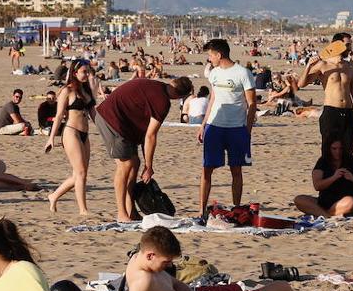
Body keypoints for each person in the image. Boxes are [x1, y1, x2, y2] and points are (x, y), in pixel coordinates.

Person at [123, 226, 352, 291]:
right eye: (166, 262)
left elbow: (173, 283)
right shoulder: (142, 282)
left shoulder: (141, 260)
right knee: (281, 288)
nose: (170, 266)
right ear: (150, 255)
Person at [94, 75, 194, 222]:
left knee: (135, 163)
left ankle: (131, 211)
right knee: (126, 165)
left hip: (121, 123)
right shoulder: (162, 102)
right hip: (111, 119)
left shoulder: (158, 86)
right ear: (180, 96)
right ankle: (122, 213)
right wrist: (149, 166)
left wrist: (145, 164)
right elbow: (150, 136)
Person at [198, 39, 257, 220]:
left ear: (219, 55)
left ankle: (236, 208)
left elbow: (252, 103)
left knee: (236, 170)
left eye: (210, 55)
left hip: (236, 128)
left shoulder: (243, 73)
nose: (209, 59)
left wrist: (247, 130)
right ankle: (201, 211)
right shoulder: (214, 73)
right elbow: (213, 99)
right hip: (214, 127)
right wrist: (203, 124)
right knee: (207, 169)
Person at [45, 61, 102, 216]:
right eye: (84, 71)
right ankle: (83, 209)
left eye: (88, 71)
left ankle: (54, 195)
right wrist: (51, 138)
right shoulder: (67, 91)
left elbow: (93, 113)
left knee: (79, 174)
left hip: (85, 134)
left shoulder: (87, 91)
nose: (87, 74)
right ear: (75, 73)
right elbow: (58, 116)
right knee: (81, 172)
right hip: (71, 132)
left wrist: (105, 130)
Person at [299, 32, 353, 157]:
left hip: (348, 112)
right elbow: (301, 84)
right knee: (329, 153)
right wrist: (308, 66)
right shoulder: (323, 65)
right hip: (331, 113)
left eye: (350, 45)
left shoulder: (350, 67)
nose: (350, 48)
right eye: (347, 45)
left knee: (347, 152)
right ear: (337, 45)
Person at [293, 138, 353, 218]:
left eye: (340, 149)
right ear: (329, 149)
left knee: (352, 202)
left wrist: (352, 178)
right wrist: (333, 177)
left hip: (344, 201)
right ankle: (327, 215)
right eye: (334, 149)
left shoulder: (351, 160)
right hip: (324, 201)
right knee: (299, 199)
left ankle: (323, 215)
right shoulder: (323, 161)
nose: (337, 152)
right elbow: (317, 186)